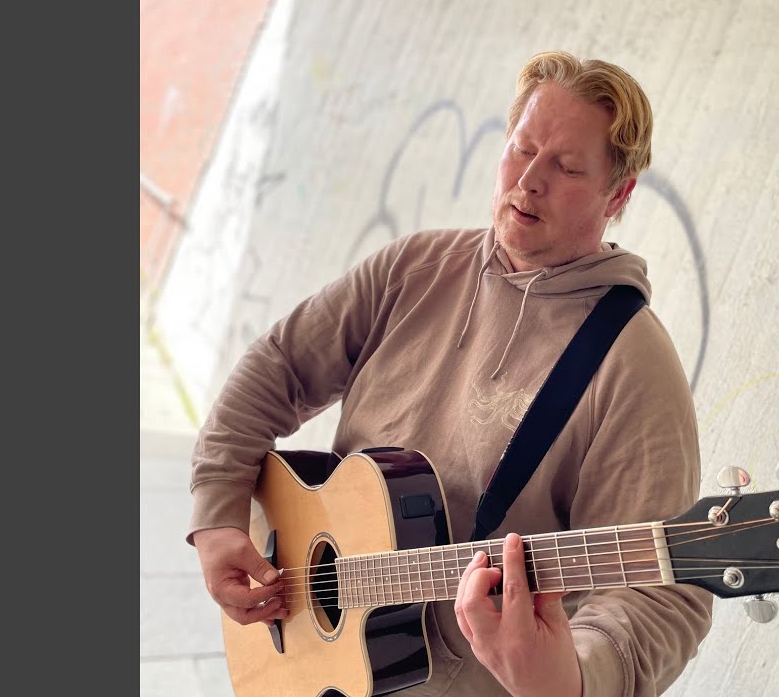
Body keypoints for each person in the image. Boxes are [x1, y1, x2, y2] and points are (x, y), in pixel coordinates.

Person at [187, 50, 713, 696]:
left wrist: (573, 680)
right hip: (316, 666)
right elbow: (277, 365)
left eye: (568, 167)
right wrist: (218, 512)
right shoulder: (415, 267)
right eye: (522, 150)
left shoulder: (632, 363)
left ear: (619, 194)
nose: (530, 181)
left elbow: (661, 595)